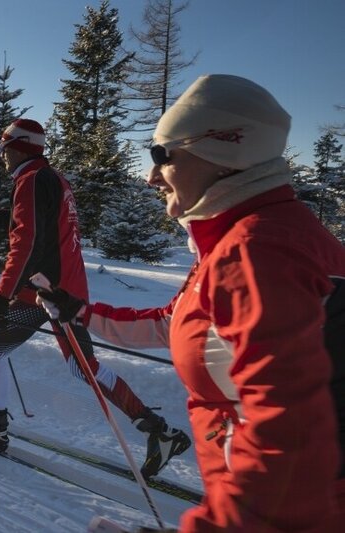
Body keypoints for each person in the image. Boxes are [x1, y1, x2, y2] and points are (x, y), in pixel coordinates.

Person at [36, 74, 345, 532]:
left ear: (222, 149)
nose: (151, 177)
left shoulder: (258, 253)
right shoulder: (251, 238)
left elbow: (289, 444)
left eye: (162, 155)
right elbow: (181, 326)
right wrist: (81, 313)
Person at [0, 118, 191, 479]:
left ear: (18, 147)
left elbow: (26, 241)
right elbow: (22, 224)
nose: (2, 156)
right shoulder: (48, 178)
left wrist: (0, 298)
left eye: (4, 148)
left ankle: (159, 431)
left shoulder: (33, 179)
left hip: (55, 295)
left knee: (82, 367)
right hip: (46, 290)